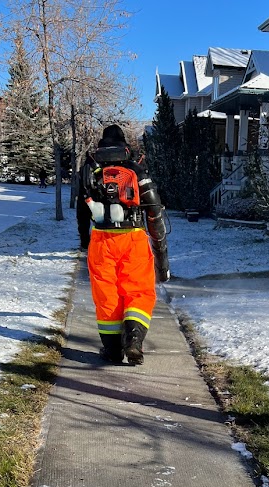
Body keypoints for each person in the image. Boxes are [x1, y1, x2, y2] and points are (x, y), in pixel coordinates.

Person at [81, 124, 169, 365]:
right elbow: (154, 210)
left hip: (101, 239)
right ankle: (134, 342)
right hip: (133, 238)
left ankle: (111, 350)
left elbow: (81, 208)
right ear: (125, 145)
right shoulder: (135, 169)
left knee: (106, 295)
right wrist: (161, 253)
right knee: (138, 290)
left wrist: (83, 239)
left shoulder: (91, 169)